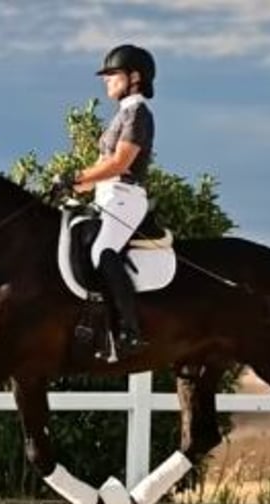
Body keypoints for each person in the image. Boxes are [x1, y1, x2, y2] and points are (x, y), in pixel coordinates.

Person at [62, 44, 156, 356]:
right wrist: (73, 186)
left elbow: (120, 163)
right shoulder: (124, 114)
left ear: (135, 77)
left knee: (104, 250)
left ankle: (130, 331)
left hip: (125, 196)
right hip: (108, 195)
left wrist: (79, 177)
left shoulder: (138, 113)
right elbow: (104, 168)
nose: (106, 80)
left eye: (113, 74)